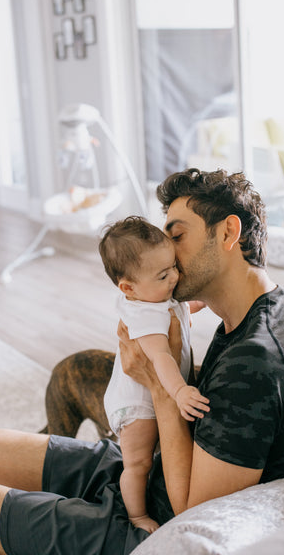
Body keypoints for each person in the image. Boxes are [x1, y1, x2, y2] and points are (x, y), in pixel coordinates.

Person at [0, 168, 284, 555]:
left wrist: (157, 384)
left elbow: (192, 512)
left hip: (151, 528)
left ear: (229, 232)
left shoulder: (259, 361)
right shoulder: (249, 314)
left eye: (176, 236)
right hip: (147, 476)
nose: (167, 252)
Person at [98, 216, 209, 533]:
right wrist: (179, 392)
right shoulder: (143, 313)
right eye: (164, 274)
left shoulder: (155, 293)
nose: (174, 276)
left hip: (150, 398)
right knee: (137, 463)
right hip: (137, 406)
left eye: (174, 266)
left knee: (151, 459)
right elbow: (161, 358)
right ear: (128, 288)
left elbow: (180, 307)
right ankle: (136, 515)